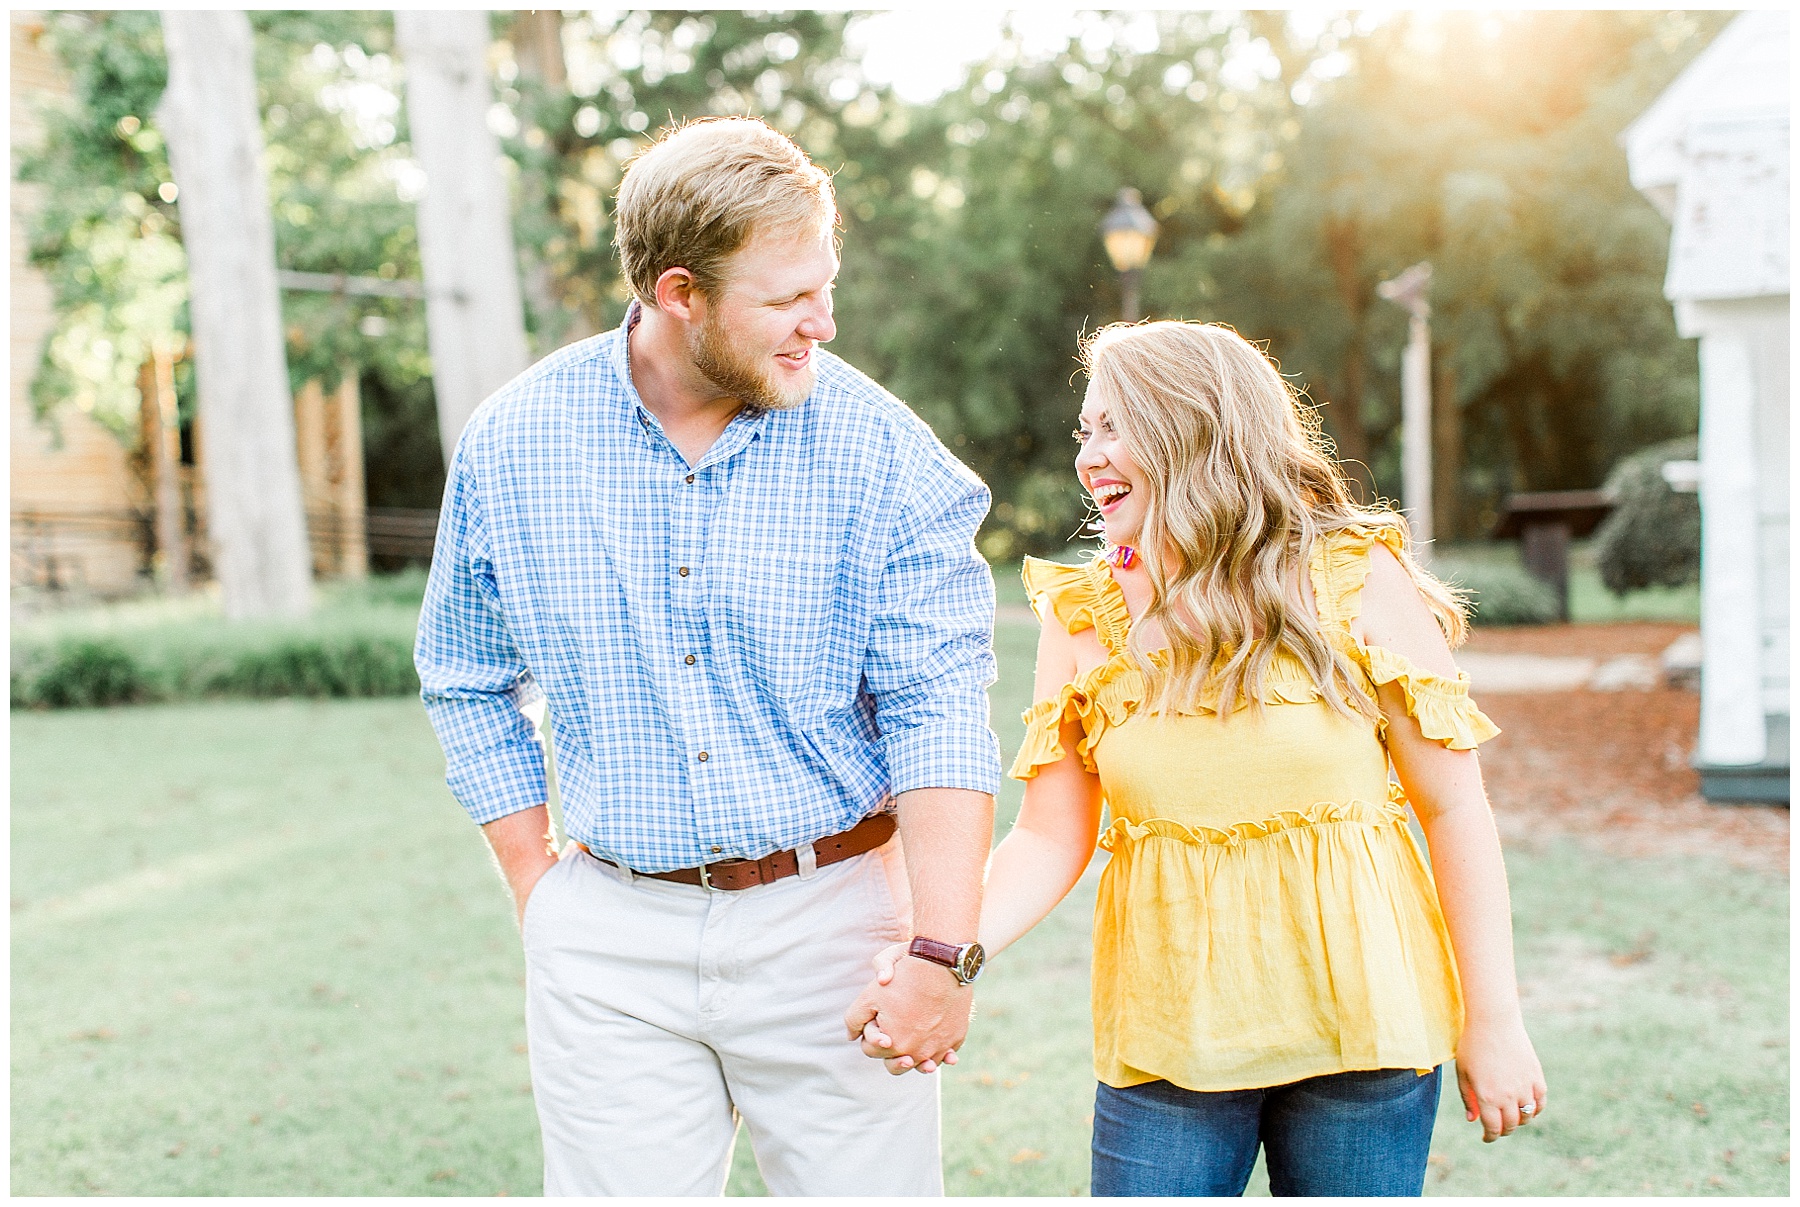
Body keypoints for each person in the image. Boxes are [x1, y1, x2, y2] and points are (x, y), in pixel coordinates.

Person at [414, 116, 1000, 1197]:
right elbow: (463, 674)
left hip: (833, 931)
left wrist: (940, 951)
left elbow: (938, 708)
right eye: (789, 299)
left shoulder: (881, 451)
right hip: (609, 936)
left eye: (825, 285)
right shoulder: (514, 441)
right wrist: (538, 886)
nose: (824, 322)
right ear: (680, 294)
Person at [874, 320, 1546, 1195]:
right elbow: (1047, 838)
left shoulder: (1350, 575)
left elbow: (1453, 808)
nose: (1090, 455)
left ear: (1196, 429)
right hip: (1170, 1039)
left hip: (1366, 1030)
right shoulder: (1081, 613)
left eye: (1116, 427)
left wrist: (1492, 1020)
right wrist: (946, 951)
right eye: (1086, 430)